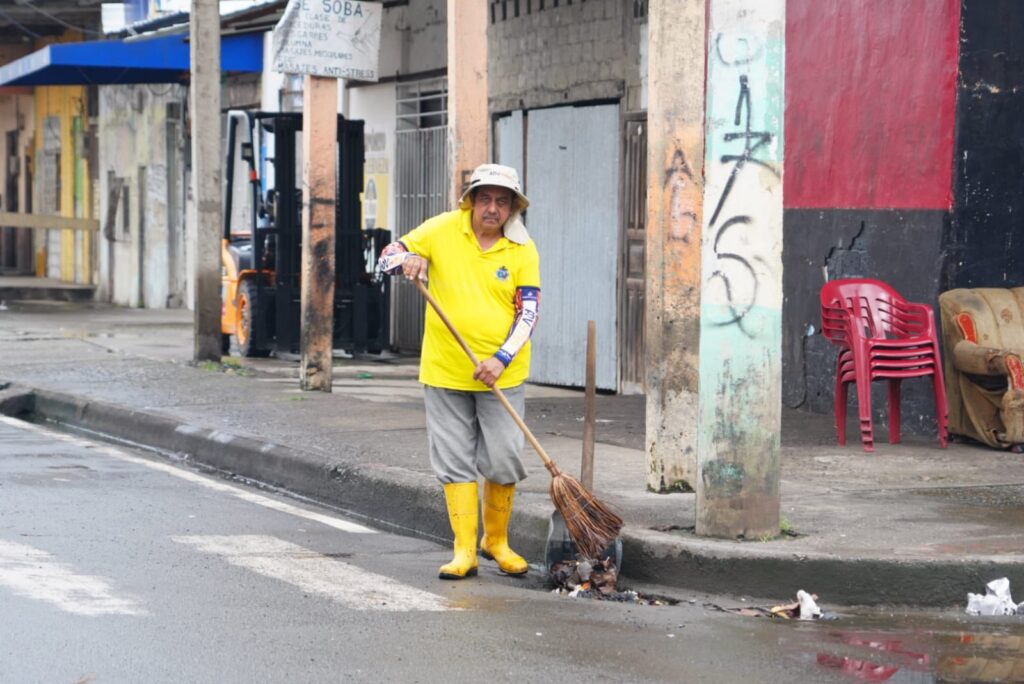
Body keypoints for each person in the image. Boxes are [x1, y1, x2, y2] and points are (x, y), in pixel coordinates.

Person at [378, 164, 540, 580]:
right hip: (445, 371)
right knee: (454, 460)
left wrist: (500, 359)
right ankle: (464, 549)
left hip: (502, 374)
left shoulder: (523, 249)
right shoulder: (442, 229)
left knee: (504, 457)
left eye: (502, 202)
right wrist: (408, 259)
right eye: (485, 199)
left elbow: (528, 313)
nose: (492, 208)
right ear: (471, 201)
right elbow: (386, 257)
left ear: (512, 208)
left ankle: (496, 541)